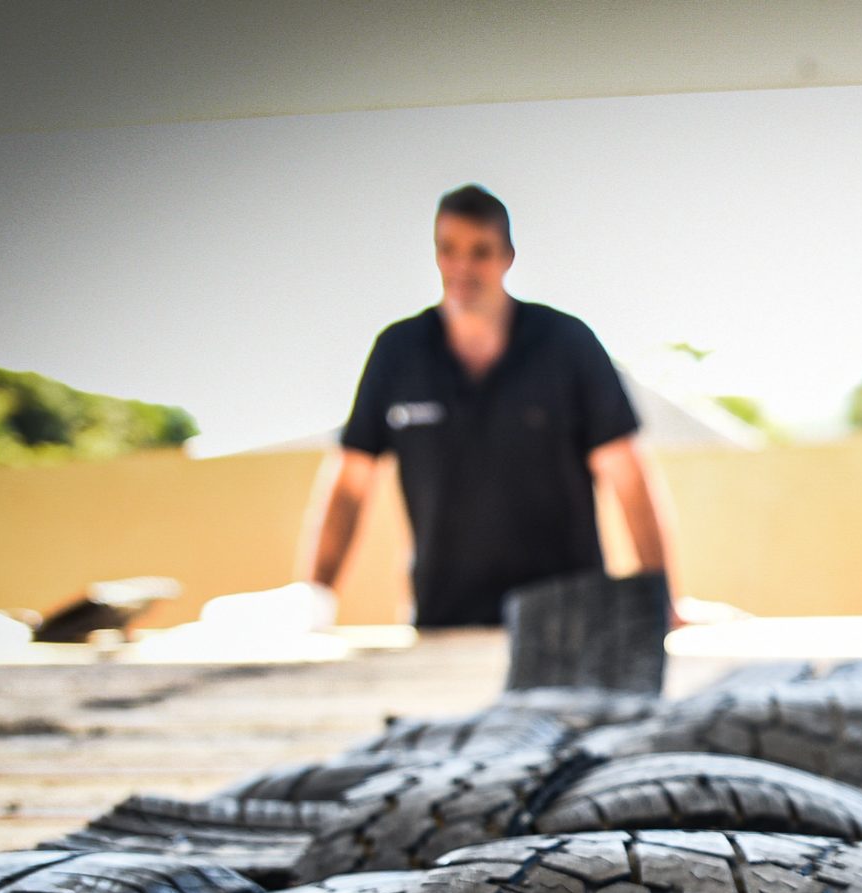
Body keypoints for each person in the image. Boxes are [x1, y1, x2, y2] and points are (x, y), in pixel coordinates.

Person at [236, 184, 677, 633]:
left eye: (480, 251)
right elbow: (350, 485)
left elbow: (628, 479)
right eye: (449, 250)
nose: (463, 266)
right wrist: (315, 598)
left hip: (566, 624)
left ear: (507, 256)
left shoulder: (567, 344)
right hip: (443, 623)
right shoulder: (398, 352)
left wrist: (660, 602)